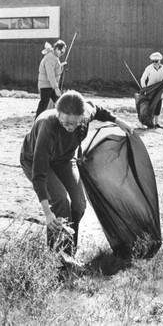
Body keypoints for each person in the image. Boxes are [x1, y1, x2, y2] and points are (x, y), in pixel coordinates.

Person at [20, 90, 134, 256]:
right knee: (61, 202)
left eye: (74, 123)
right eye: (65, 122)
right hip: (35, 161)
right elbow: (39, 174)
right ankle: (56, 256)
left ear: (82, 117)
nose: (69, 127)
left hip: (64, 159)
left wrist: (119, 121)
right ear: (58, 114)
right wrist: (47, 213)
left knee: (79, 204)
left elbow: (98, 109)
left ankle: (69, 249)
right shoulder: (47, 126)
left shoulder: (86, 114)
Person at [140, 52, 163, 129]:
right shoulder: (148, 68)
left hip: (159, 91)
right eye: (153, 61)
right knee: (150, 106)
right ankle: (149, 122)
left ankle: (156, 123)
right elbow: (143, 79)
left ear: (160, 61)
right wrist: (145, 88)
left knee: (158, 105)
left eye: (157, 61)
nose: (155, 63)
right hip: (151, 91)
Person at [35, 40, 67, 118]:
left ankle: (62, 119)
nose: (62, 54)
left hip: (51, 85)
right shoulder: (50, 58)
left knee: (60, 102)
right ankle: (37, 122)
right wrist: (56, 88)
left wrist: (61, 65)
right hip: (47, 85)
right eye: (61, 52)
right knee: (44, 104)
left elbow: (55, 69)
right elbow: (51, 75)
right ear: (57, 49)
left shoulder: (54, 57)